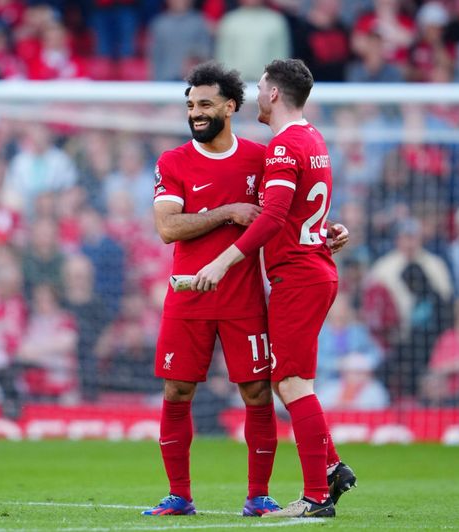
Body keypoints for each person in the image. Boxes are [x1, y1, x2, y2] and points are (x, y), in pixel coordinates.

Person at [194, 59, 355, 518]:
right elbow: (303, 209)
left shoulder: (284, 147)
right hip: (313, 268)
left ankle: (316, 497)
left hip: (299, 276)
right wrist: (325, 229)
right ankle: (332, 468)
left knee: (292, 382)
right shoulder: (313, 138)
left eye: (260, 86)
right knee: (286, 379)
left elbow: (274, 216)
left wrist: (224, 260)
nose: (256, 94)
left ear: (275, 94)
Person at [143, 61, 280, 518]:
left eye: (204, 104)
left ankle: (258, 496)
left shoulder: (260, 159)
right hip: (188, 297)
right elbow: (168, 228)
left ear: (230, 106)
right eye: (190, 106)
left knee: (257, 394)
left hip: (244, 299)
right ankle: (179, 495)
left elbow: (285, 215)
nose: (195, 113)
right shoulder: (173, 161)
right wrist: (227, 211)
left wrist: (329, 231)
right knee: (177, 392)